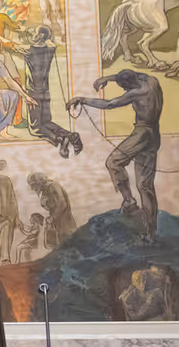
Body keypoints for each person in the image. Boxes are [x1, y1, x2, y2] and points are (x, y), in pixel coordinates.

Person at [68, 70, 163, 240]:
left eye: (123, 87)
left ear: (127, 86)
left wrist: (83, 100)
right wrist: (109, 78)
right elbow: (137, 74)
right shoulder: (152, 82)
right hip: (154, 135)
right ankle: (151, 232)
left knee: (113, 161)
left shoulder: (135, 93)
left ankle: (129, 200)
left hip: (142, 133)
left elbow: (109, 104)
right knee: (145, 187)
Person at [0, 27, 82, 156]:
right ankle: (71, 135)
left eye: (35, 32)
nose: (32, 33)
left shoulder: (29, 50)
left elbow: (8, 44)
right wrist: (42, 36)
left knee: (35, 128)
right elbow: (50, 42)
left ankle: (60, 139)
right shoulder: (50, 48)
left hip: (33, 92)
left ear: (39, 36)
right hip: (45, 91)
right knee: (46, 122)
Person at [27, 171, 77, 248]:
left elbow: (61, 204)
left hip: (64, 223)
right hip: (56, 223)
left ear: (40, 181)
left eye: (33, 184)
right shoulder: (45, 190)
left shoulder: (52, 186)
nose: (32, 188)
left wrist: (52, 217)